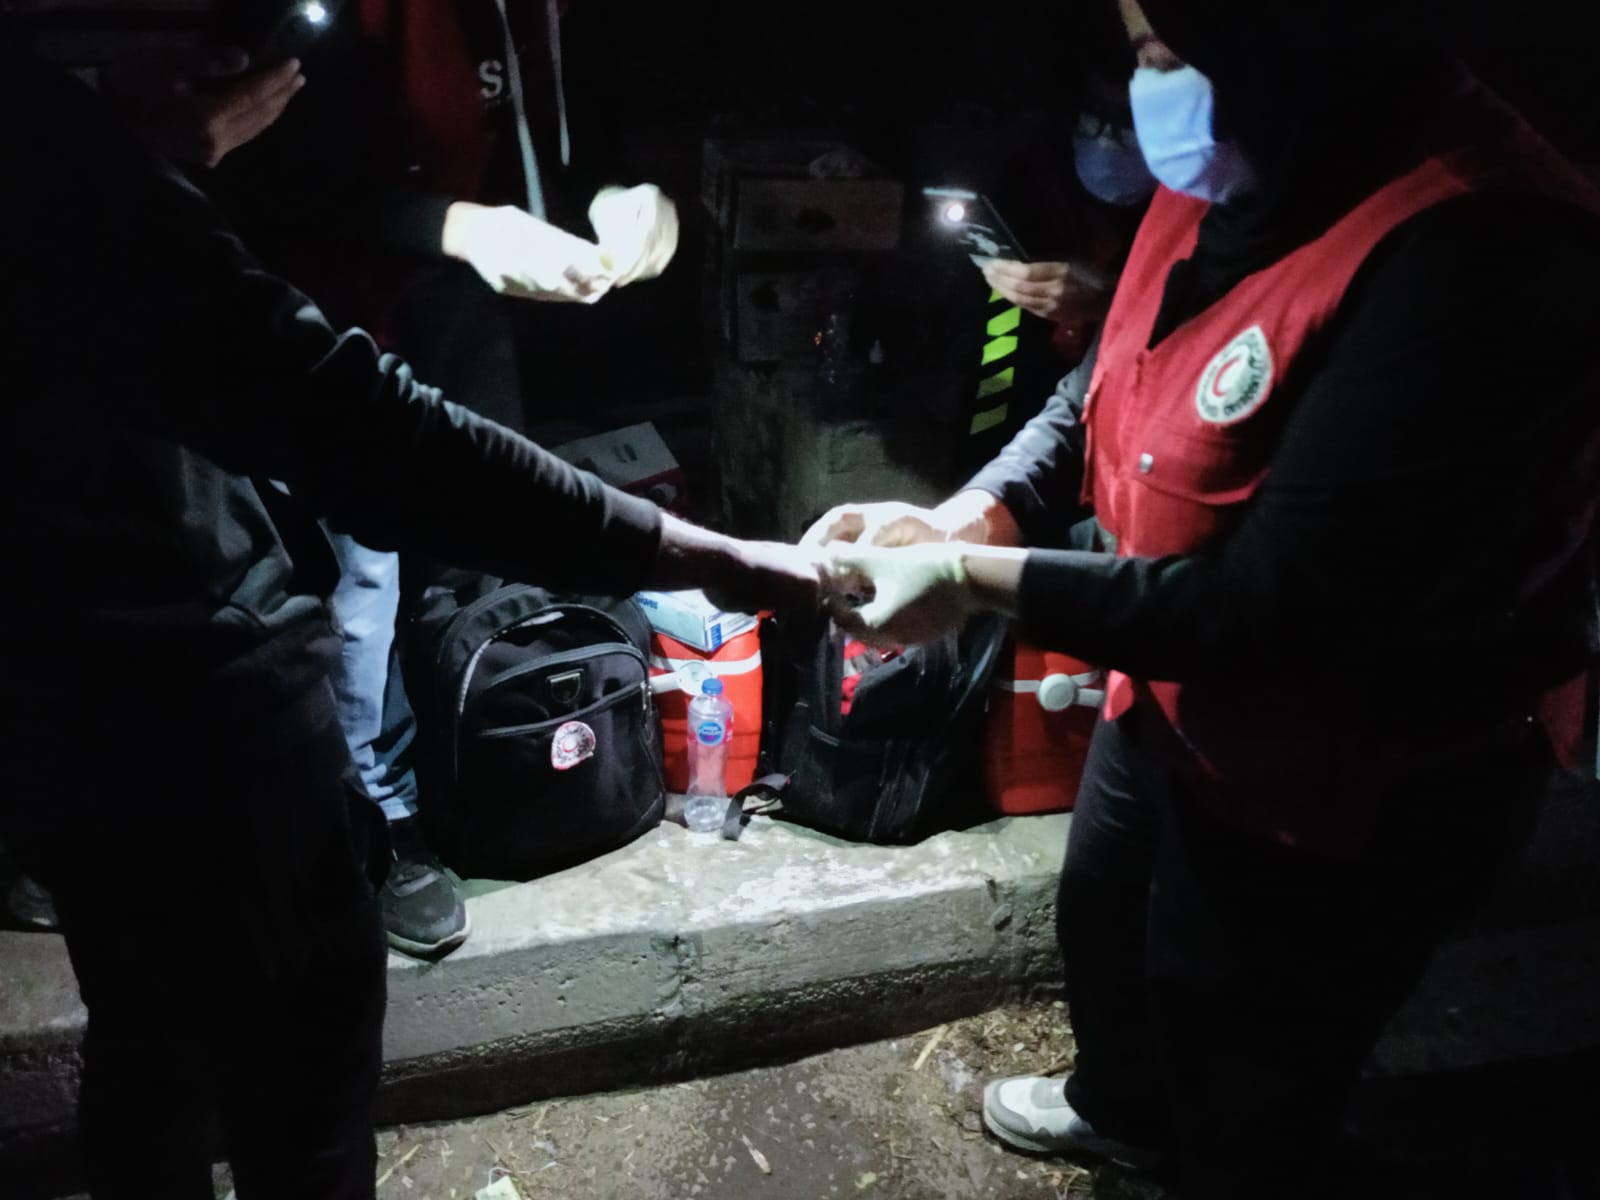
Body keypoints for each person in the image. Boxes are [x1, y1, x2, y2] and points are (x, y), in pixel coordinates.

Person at [0, 27, 820, 1200]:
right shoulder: (56, 142)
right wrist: (686, 548)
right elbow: (339, 413)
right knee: (287, 1073)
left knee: (151, 1035)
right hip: (168, 674)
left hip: (98, 666)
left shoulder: (67, 135)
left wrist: (627, 196)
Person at [808, 0, 1600, 1195]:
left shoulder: (1484, 250)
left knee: (1252, 1058)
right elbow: (1099, 381)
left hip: (1352, 772)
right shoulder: (1235, 160)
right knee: (1109, 915)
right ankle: (1120, 1106)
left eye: (1163, 51)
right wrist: (970, 516)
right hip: (1169, 688)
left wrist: (969, 581)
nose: (1146, 87)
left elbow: (1273, 612)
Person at [206, 0, 682, 957]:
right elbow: (265, 182)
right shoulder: (335, 17)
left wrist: (628, 202)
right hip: (311, 319)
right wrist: (457, 226)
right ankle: (361, 819)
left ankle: (427, 781)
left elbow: (553, 134)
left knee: (451, 571)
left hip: (453, 311)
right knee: (350, 588)